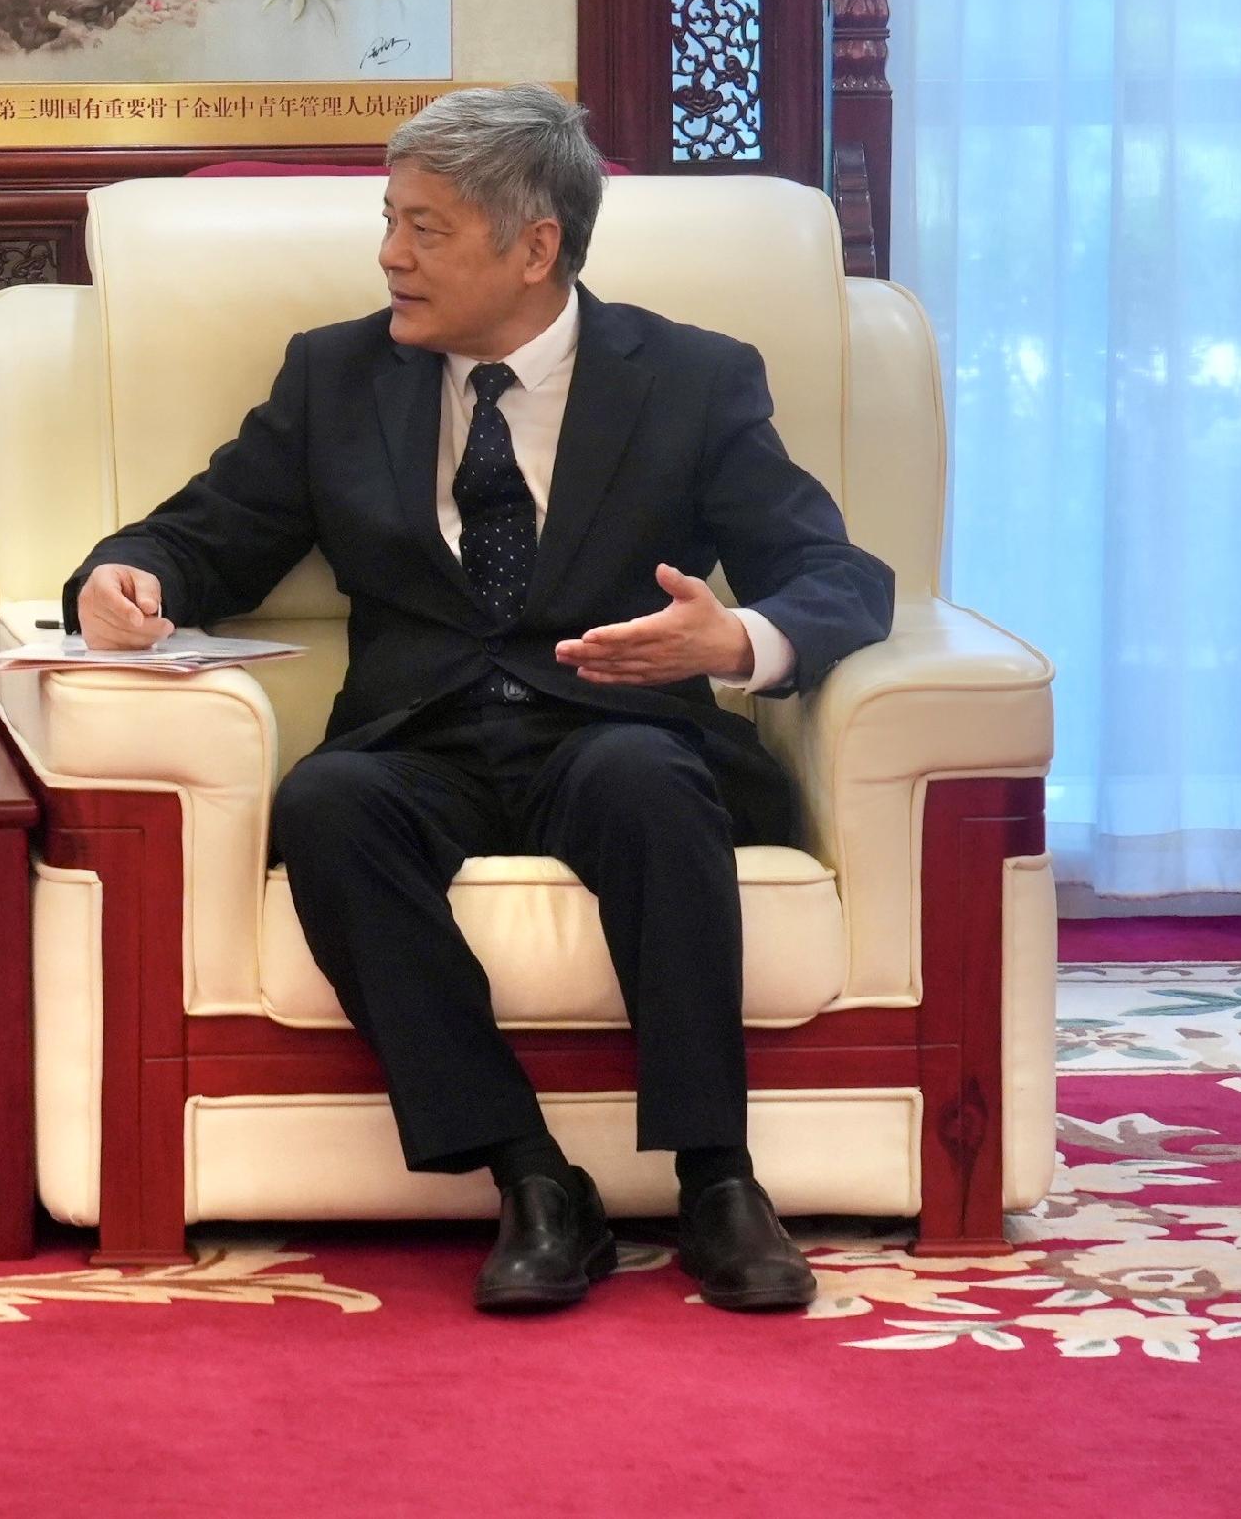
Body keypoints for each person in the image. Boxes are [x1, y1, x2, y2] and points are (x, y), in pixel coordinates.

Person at [65, 85, 887, 1316]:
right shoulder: (335, 375)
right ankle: (532, 1174)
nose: (390, 255)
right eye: (388, 221)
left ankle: (718, 1177)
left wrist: (736, 639)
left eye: (426, 227)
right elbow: (206, 532)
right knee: (328, 805)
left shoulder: (689, 378)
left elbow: (836, 576)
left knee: (648, 782)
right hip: (418, 740)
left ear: (534, 245)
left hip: (611, 724)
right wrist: (123, 575)